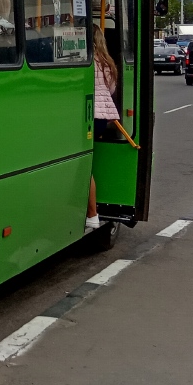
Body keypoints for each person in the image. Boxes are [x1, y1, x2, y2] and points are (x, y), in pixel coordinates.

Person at [87, 22, 120, 230]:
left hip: (88, 115)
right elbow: (112, 88)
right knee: (89, 162)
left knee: (84, 167)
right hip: (102, 119)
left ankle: (92, 213)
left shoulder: (86, 61)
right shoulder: (107, 63)